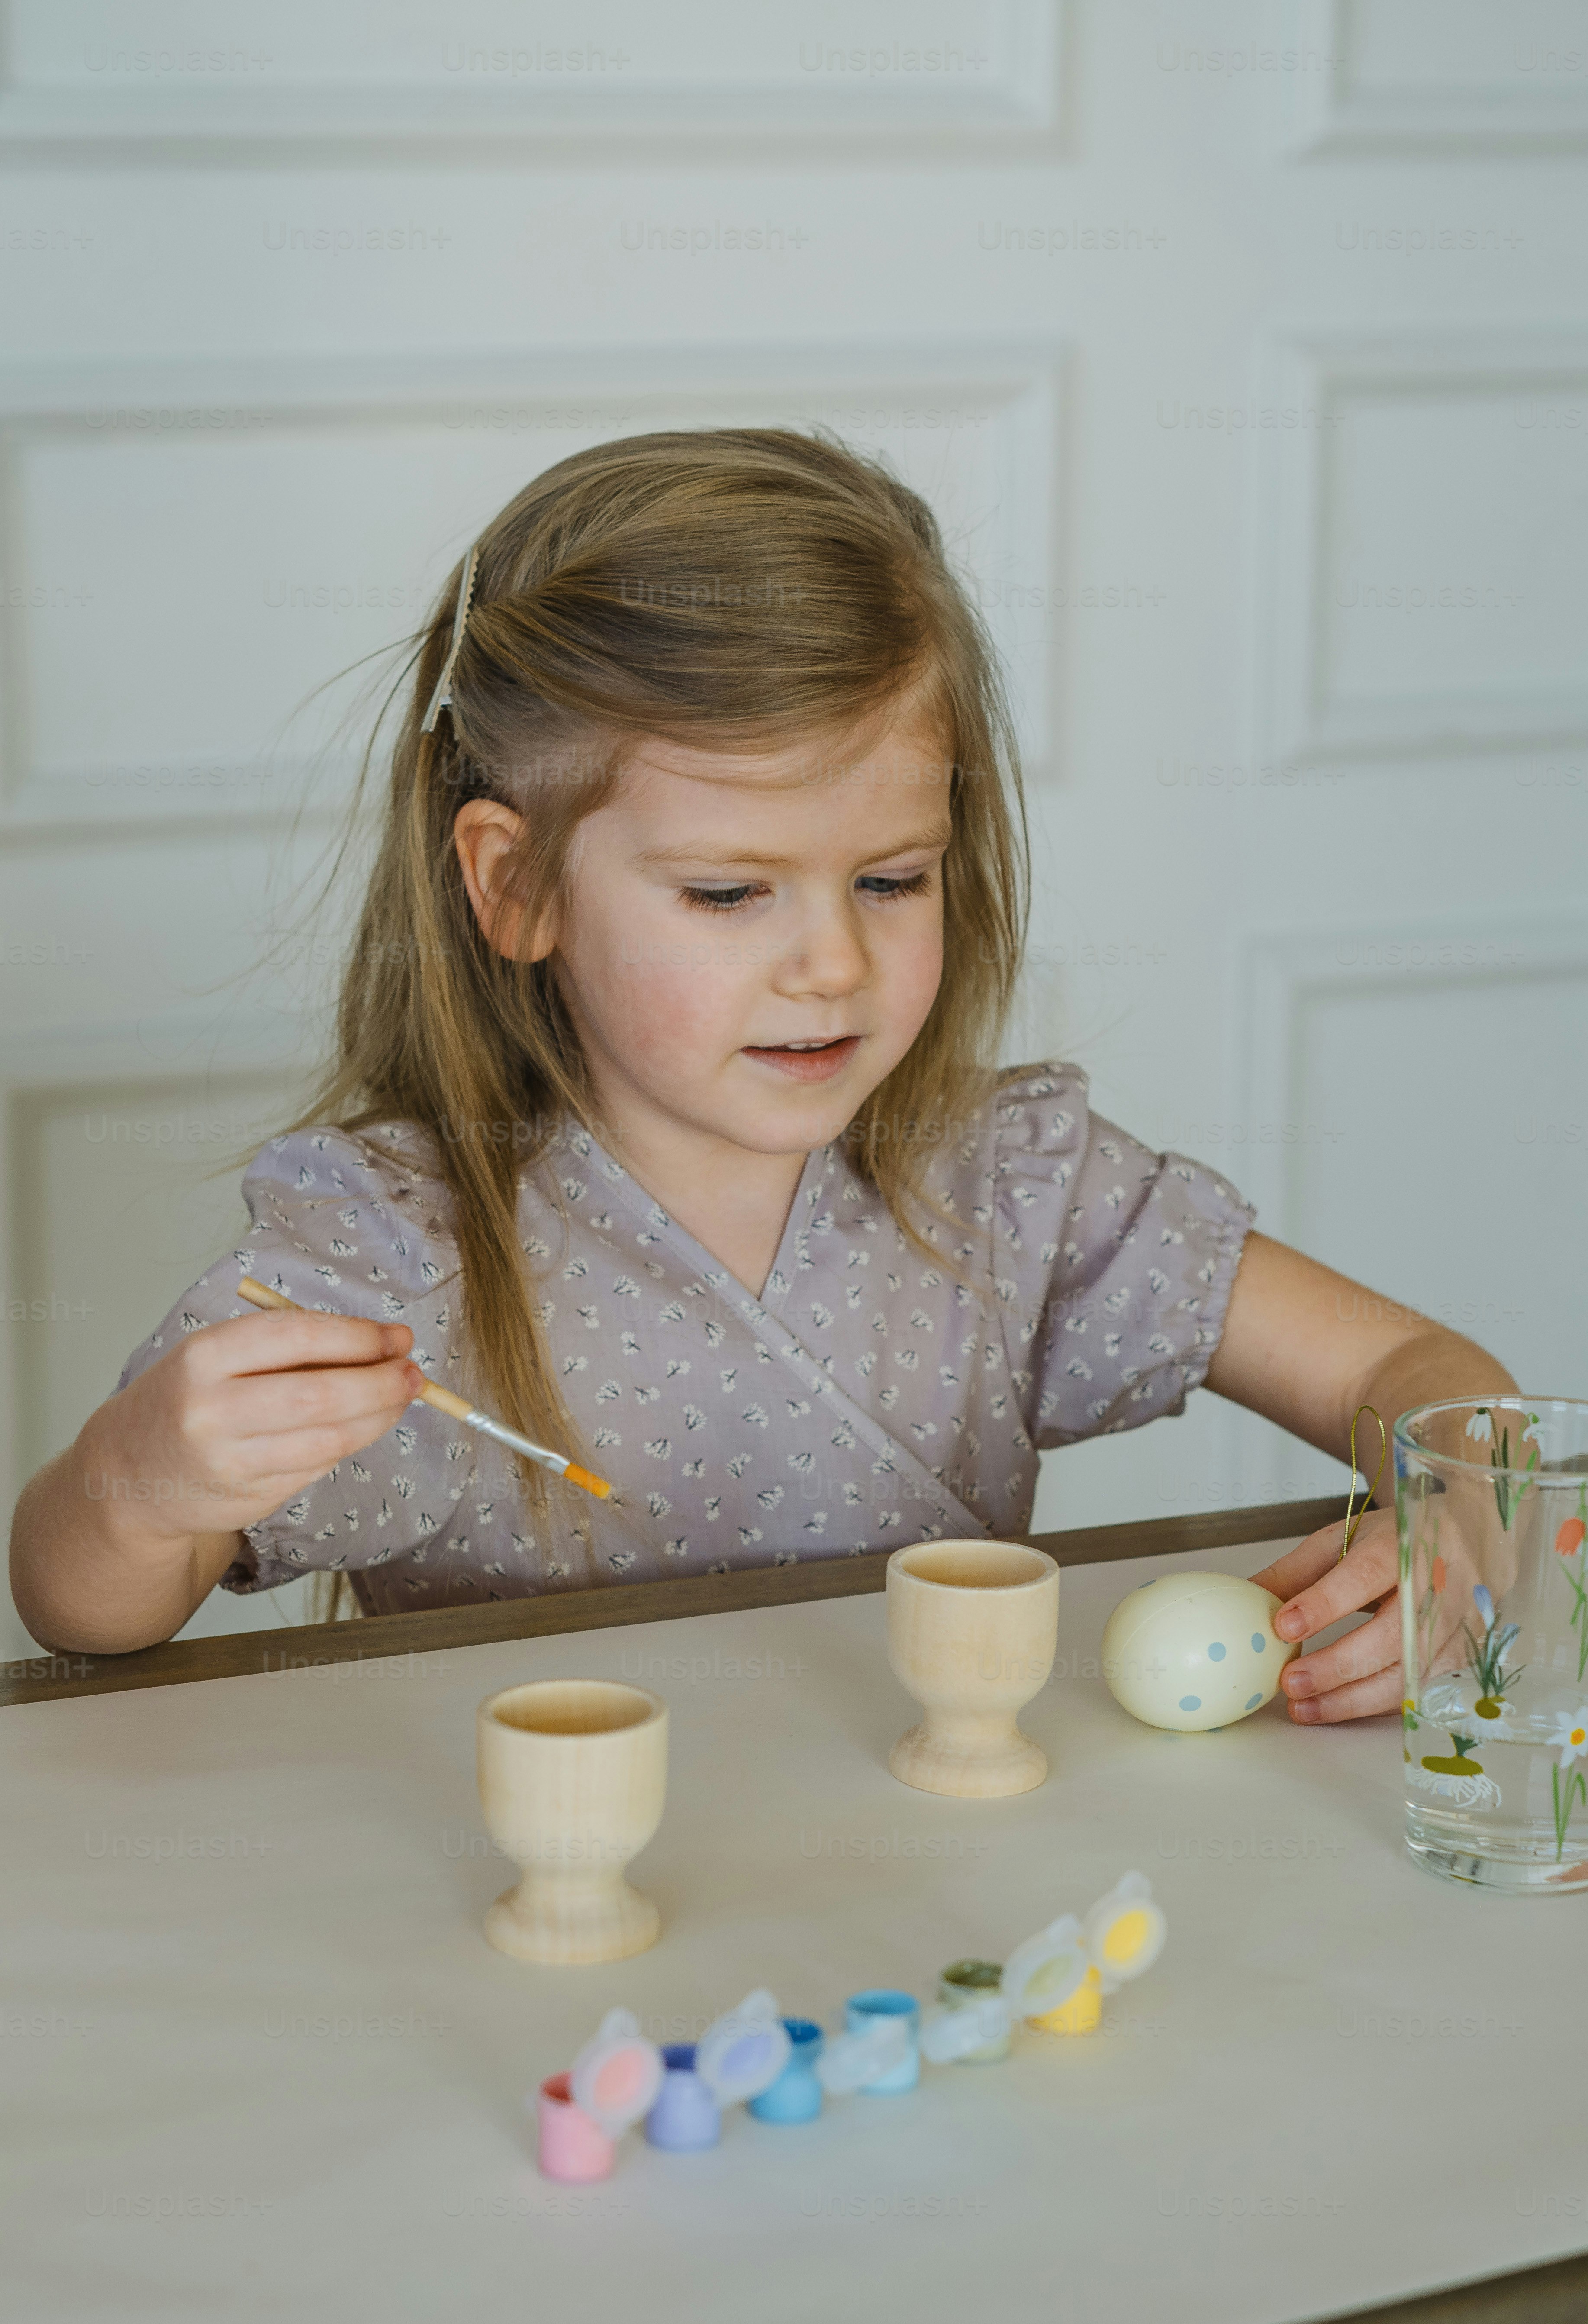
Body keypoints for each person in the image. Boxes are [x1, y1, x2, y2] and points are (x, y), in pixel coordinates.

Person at [9, 429, 1516, 1717]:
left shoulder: (1008, 1186)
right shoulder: (395, 1246)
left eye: (893, 878)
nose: (832, 967)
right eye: (731, 895)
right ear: (515, 884)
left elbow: (1415, 1377)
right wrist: (148, 1482)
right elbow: (80, 1609)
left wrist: (1464, 1518)